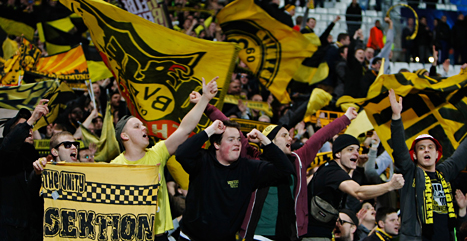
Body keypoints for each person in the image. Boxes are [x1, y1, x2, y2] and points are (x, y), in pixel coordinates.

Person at [190, 92, 358, 240]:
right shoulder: (253, 158)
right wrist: (205, 104)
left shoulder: (298, 159)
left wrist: (346, 118)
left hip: (288, 235)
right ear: (270, 139)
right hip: (255, 233)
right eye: (284, 135)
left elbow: (321, 136)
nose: (290, 139)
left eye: (290, 135)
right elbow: (228, 125)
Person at [111, 77, 219, 240]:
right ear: (124, 136)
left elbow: (184, 129)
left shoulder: (156, 153)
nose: (144, 127)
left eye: (143, 124)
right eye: (137, 126)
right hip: (131, 235)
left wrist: (204, 99)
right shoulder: (114, 166)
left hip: (159, 234)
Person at [176, 120, 294, 240]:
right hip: (190, 237)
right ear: (216, 144)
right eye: (231, 139)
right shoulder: (202, 160)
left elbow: (285, 169)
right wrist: (210, 131)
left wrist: (263, 140)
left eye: (238, 139)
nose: (237, 143)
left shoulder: (247, 168)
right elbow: (181, 153)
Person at [389, 88, 467, 240]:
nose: (426, 151)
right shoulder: (410, 173)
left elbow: (462, 155)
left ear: (437, 154)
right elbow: (399, 150)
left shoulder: (444, 172)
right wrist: (396, 117)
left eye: (431, 147)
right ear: (415, 155)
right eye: (421, 148)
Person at [303, 133, 404, 241]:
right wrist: (390, 185)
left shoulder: (328, 168)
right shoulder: (334, 172)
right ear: (338, 153)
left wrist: (359, 168)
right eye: (350, 150)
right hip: (314, 236)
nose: (356, 153)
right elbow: (358, 192)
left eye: (357, 150)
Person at [0, 100, 49, 241]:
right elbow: (7, 148)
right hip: (9, 232)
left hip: (33, 232)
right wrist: (32, 119)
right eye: (22, 126)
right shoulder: (5, 155)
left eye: (31, 127)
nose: (29, 130)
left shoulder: (36, 158)